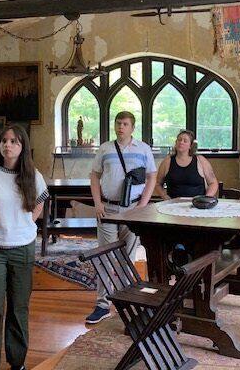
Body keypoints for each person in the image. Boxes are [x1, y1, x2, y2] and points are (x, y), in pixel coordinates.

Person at [0, 124, 48, 370]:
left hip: (22, 248)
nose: (8, 145)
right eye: (4, 140)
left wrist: (23, 225)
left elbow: (39, 206)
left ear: (22, 146)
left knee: (19, 307)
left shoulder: (34, 176)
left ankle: (18, 362)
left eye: (14, 141)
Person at [86, 111, 157, 324]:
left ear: (132, 127)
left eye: (125, 124)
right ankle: (102, 304)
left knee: (128, 256)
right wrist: (97, 203)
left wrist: (143, 206)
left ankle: (126, 299)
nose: (121, 127)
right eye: (118, 123)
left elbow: (152, 176)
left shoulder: (143, 149)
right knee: (104, 255)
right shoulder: (105, 148)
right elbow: (95, 176)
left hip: (133, 210)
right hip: (107, 208)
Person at [155, 129, 218, 199]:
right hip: (173, 204)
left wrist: (206, 198)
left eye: (185, 141)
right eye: (179, 140)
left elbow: (213, 183)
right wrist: (165, 196)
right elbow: (158, 184)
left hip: (197, 204)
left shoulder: (201, 160)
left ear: (190, 146)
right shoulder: (167, 161)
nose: (181, 142)